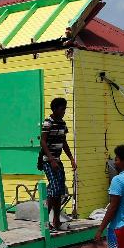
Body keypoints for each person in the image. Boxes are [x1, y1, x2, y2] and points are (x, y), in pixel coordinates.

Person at [38, 97, 77, 231]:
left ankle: (56, 220)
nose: (64, 111)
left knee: (59, 190)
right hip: (48, 161)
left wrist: (71, 158)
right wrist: (52, 159)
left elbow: (63, 142)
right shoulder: (48, 122)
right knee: (53, 189)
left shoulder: (62, 123)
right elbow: (43, 142)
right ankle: (44, 220)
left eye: (65, 109)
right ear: (55, 109)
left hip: (57, 161)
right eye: (62, 109)